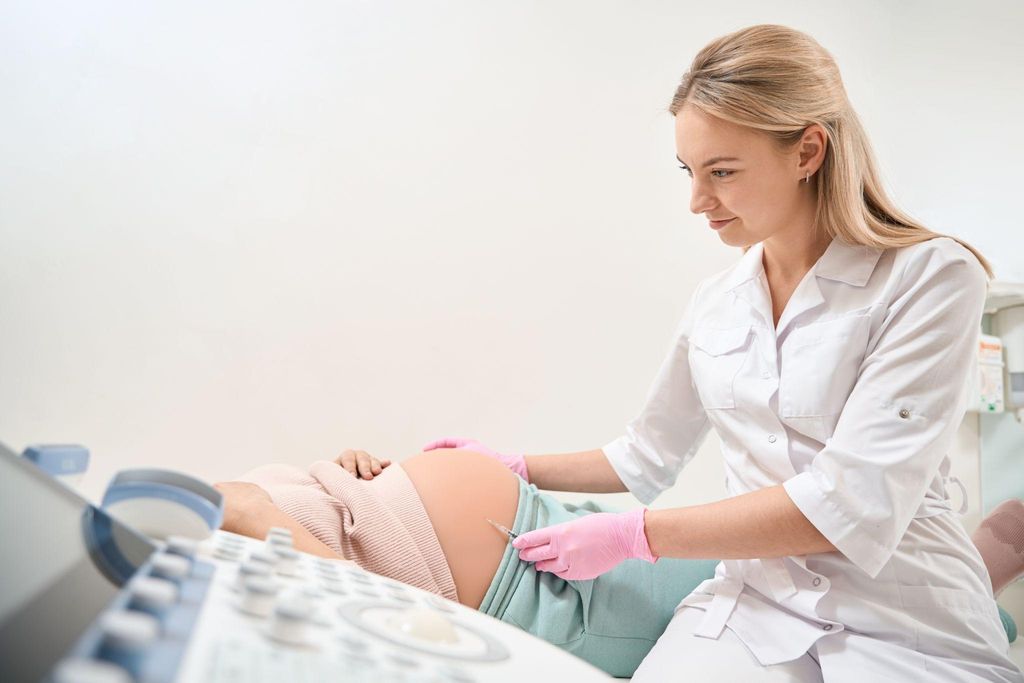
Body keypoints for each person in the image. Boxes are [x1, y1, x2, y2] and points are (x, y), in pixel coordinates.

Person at [341, 24, 1023, 681]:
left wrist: (636, 535)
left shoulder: (930, 277)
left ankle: (1001, 548)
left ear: (808, 151)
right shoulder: (718, 304)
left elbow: (851, 503)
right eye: (689, 171)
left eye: (722, 171)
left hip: (908, 618)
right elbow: (644, 454)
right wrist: (515, 464)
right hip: (760, 605)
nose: (698, 200)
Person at [214, 447, 1021, 679]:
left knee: (805, 563)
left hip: (539, 530)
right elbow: (361, 622)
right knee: (801, 592)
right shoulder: (203, 632)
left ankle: (969, 562)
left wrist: (357, 472)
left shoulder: (152, 533)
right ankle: (990, 567)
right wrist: (266, 518)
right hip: (548, 602)